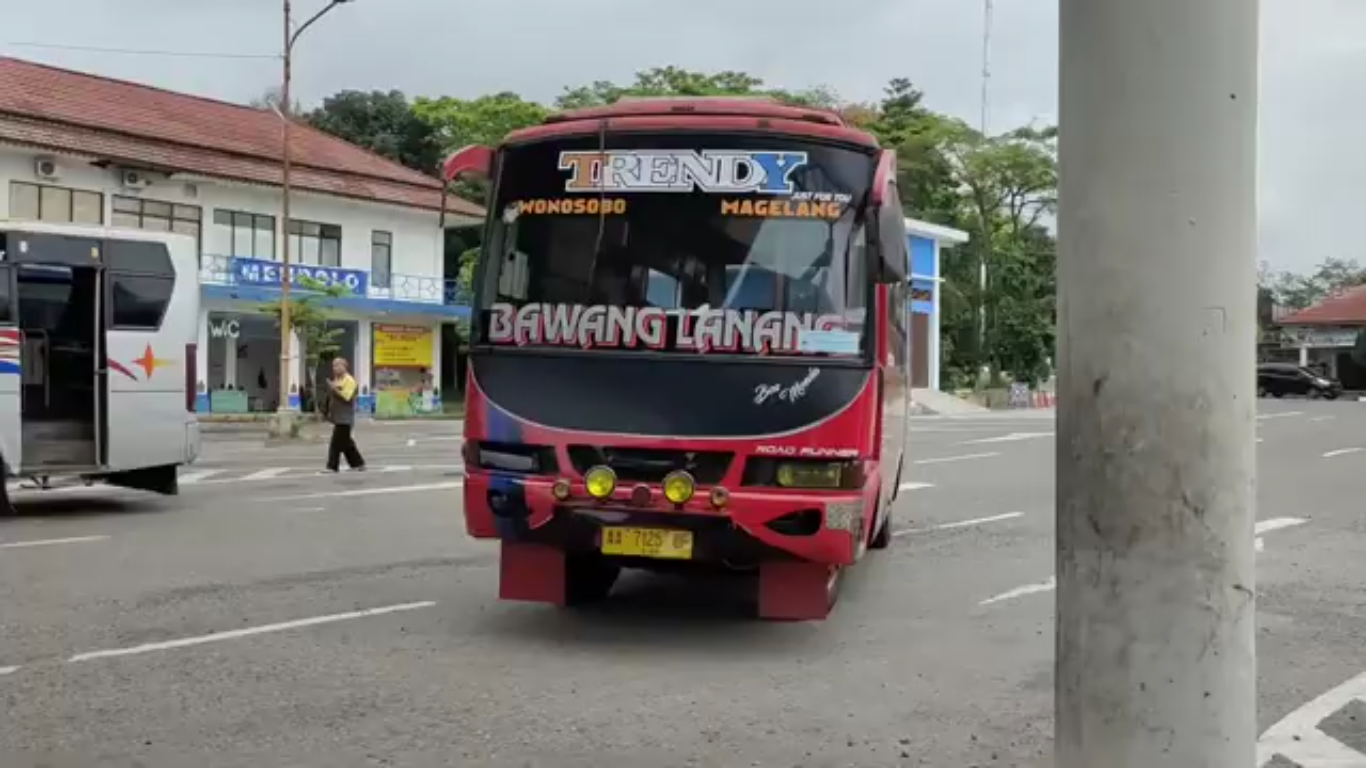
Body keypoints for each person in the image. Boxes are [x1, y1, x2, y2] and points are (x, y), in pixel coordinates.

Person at [323, 357, 366, 473]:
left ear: (344, 366)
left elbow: (347, 397)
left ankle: (332, 466)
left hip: (345, 418)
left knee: (335, 443)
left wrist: (333, 388)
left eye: (338, 365)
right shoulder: (337, 380)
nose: (335, 368)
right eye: (333, 366)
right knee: (346, 443)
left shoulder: (349, 381)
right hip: (338, 418)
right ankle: (358, 464)